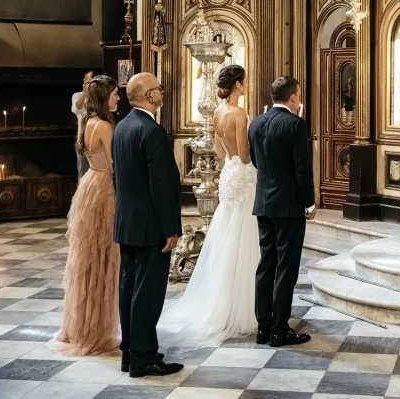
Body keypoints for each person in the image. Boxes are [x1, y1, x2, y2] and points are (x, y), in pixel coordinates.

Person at [159, 65, 258, 349]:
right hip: (242, 172)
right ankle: (242, 306)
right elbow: (243, 153)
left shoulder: (216, 113)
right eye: (246, 81)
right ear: (238, 85)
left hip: (228, 173)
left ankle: (222, 296)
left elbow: (220, 151)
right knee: (243, 233)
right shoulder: (238, 113)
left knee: (228, 229)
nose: (248, 85)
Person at [112, 72, 183, 378]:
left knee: (129, 287)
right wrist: (170, 228)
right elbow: (162, 186)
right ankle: (143, 358)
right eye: (158, 89)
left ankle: (132, 351)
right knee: (148, 292)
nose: (162, 93)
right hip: (151, 225)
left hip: (128, 222)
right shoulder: (151, 130)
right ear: (149, 96)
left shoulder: (123, 127)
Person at [249, 76, 315, 347]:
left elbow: (255, 161)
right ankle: (279, 329)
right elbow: (302, 169)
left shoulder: (256, 123)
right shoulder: (295, 125)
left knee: (266, 264)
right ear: (293, 97)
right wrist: (309, 203)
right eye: (298, 95)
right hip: (288, 206)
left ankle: (263, 327)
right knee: (286, 267)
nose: (299, 100)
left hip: (263, 203)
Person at [57, 76, 121, 356]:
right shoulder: (105, 126)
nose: (118, 99)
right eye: (115, 94)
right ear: (104, 96)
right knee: (104, 258)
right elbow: (116, 165)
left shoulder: (87, 123)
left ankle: (82, 325)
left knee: (88, 258)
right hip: (105, 189)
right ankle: (96, 330)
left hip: (89, 187)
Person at [72, 70, 100, 179]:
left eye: (87, 79)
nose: (84, 81)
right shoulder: (77, 95)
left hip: (98, 140)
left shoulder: (100, 96)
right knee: (82, 173)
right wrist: (85, 92)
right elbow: (77, 108)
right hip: (83, 141)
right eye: (84, 79)